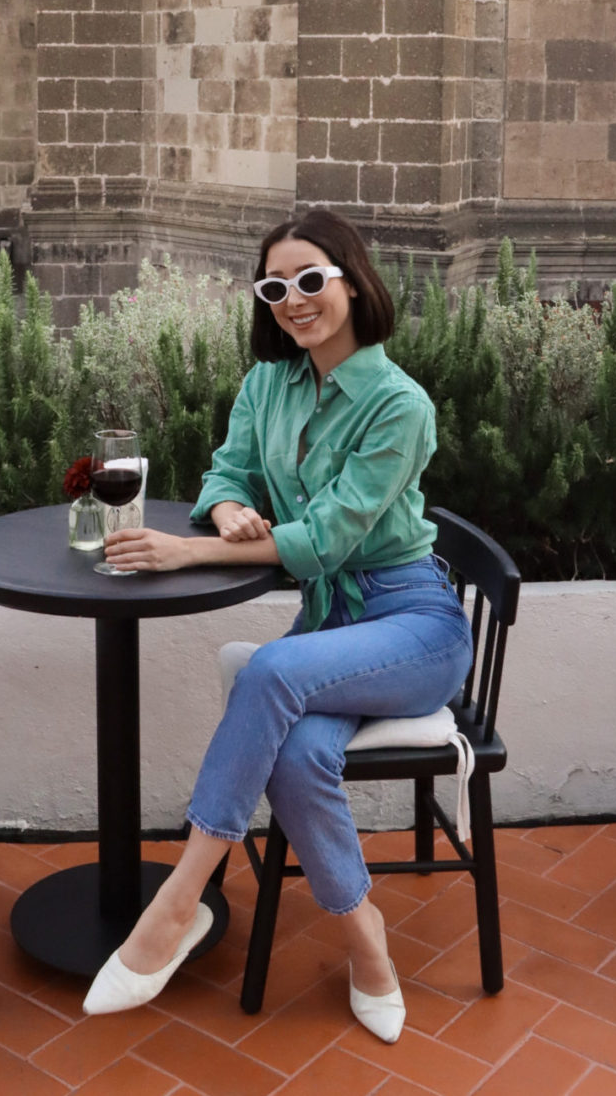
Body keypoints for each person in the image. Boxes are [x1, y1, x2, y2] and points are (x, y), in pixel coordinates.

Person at [82, 208, 474, 1041]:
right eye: (275, 287)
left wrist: (187, 556)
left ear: (352, 281)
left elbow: (328, 539)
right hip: (332, 631)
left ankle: (178, 902)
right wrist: (225, 510)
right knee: (296, 753)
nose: (293, 301)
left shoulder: (399, 405)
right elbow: (227, 470)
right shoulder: (270, 384)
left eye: (309, 280)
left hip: (414, 626)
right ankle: (368, 945)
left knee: (267, 670)